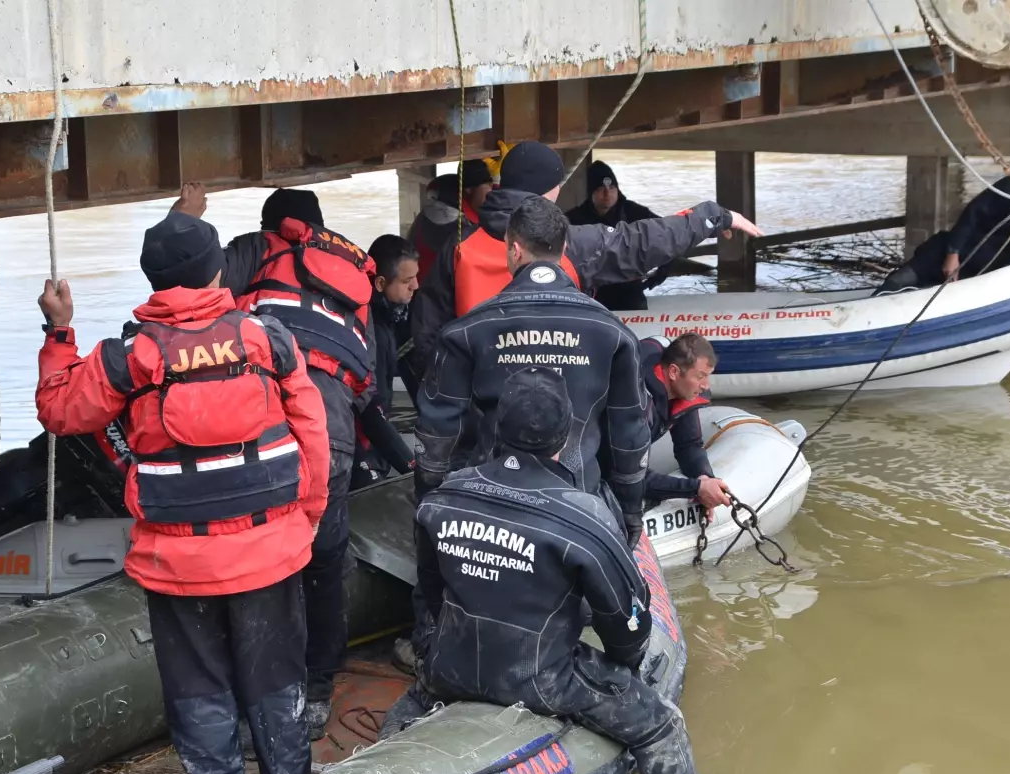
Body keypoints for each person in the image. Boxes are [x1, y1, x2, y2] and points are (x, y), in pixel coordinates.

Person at [34, 210, 331, 774]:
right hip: (270, 554)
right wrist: (305, 523)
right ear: (218, 269)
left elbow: (60, 411)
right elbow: (313, 437)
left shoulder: (127, 357)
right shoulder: (268, 338)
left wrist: (59, 332)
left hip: (179, 568)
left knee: (200, 693)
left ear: (152, 280)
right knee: (277, 687)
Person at [383, 366, 702, 774]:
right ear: (566, 435)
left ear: (498, 426)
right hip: (541, 679)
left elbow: (430, 594)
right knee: (663, 726)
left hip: (448, 668)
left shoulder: (444, 496)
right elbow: (627, 627)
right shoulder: (585, 516)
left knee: (400, 717)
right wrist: (623, 671)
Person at [170, 182, 383, 739]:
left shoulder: (258, 249)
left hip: (265, 427)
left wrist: (186, 213)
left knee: (261, 562)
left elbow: (185, 282)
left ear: (271, 225)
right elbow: (367, 382)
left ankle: (255, 699)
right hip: (331, 430)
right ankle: (314, 692)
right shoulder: (352, 272)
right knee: (324, 562)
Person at [409, 140, 763, 379]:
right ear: (552, 190)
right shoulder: (569, 244)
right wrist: (710, 217)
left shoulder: (458, 248)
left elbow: (426, 332)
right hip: (555, 406)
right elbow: (639, 243)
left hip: (479, 397)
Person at [415, 196, 651, 545]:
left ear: (513, 249)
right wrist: (630, 516)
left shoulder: (466, 331)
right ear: (565, 248)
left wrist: (431, 509)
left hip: (487, 514)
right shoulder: (613, 334)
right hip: (580, 513)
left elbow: (438, 437)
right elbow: (629, 438)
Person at [875, 150, 1010, 294]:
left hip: (993, 274)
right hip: (957, 253)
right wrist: (953, 254)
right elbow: (972, 215)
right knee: (897, 283)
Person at [351, 234, 419, 490]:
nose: (416, 286)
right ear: (380, 283)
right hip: (362, 447)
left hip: (373, 441)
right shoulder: (374, 331)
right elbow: (370, 406)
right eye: (407, 281)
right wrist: (410, 464)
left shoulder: (387, 317)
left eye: (416, 277)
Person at [565, 160, 681, 310]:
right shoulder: (574, 219)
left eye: (612, 187)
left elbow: (670, 234)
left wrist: (664, 269)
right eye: (601, 188)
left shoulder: (635, 213)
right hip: (591, 294)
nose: (607, 194)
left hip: (629, 291)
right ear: (590, 192)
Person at [639, 334, 731, 516]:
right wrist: (695, 489)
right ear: (673, 372)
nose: (706, 385)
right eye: (701, 376)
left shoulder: (682, 392)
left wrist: (704, 478)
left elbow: (689, 446)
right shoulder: (634, 400)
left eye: (708, 376)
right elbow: (628, 476)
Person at [407, 160, 493, 282]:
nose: (492, 193)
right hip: (432, 291)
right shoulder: (448, 221)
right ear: (469, 189)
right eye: (488, 186)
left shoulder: (452, 205)